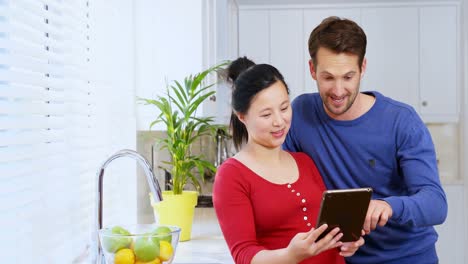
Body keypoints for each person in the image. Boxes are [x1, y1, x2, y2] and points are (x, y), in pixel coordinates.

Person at [283, 16, 448, 264]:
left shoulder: (401, 121)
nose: (338, 91)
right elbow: (283, 184)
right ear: (312, 70)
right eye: (328, 77)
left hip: (408, 258)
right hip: (339, 259)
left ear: (363, 68)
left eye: (348, 77)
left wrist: (388, 206)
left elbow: (435, 204)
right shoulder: (301, 114)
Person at [213, 57, 364, 264]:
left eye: (284, 108)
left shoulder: (304, 161)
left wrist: (344, 241)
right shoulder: (231, 175)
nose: (279, 121)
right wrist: (290, 255)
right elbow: (244, 255)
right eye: (266, 114)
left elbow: (324, 230)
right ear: (242, 117)